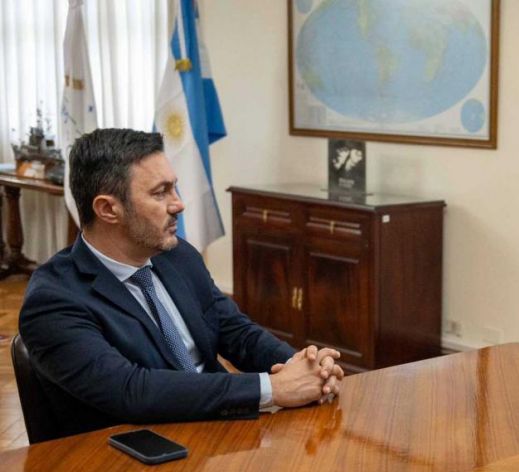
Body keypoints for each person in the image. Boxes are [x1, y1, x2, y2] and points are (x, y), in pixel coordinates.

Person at [19, 128, 344, 438]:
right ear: (108, 209)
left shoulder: (177, 256)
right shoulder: (53, 301)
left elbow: (236, 333)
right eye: (160, 193)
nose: (179, 204)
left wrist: (303, 367)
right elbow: (131, 391)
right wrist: (274, 389)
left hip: (221, 432)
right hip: (130, 460)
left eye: (174, 187)